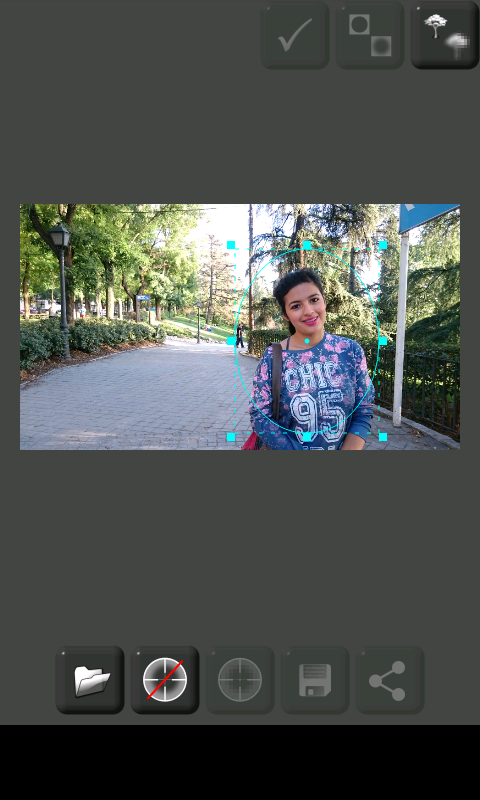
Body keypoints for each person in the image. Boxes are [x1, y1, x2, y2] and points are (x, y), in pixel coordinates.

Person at [249, 269, 375, 450]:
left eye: (314, 300)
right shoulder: (273, 357)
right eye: (296, 306)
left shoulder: (350, 351)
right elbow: (259, 415)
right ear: (286, 315)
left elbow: (363, 410)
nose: (308, 311)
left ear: (324, 301)